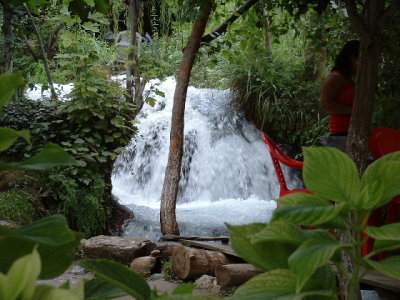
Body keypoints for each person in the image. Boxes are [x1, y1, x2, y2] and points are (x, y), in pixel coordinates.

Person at [320, 40, 360, 150]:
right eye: (360, 60)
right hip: (341, 135)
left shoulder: (350, 80)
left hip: (353, 133)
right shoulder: (335, 78)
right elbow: (325, 104)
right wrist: (353, 111)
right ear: (352, 58)